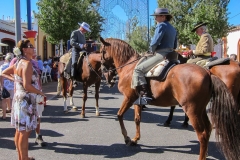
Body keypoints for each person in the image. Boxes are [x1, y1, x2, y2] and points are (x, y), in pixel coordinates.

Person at [1, 39, 45, 160]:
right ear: (24, 50)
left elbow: (3, 73)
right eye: (31, 46)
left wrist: (16, 80)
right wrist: (40, 92)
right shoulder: (27, 64)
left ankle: (21, 157)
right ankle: (24, 158)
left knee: (19, 131)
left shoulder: (18, 63)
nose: (33, 48)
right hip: (26, 99)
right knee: (24, 133)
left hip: (19, 98)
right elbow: (27, 86)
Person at [132, 8, 178, 105]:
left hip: (161, 54)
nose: (155, 18)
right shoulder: (173, 29)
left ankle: (145, 96)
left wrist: (151, 51)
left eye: (157, 16)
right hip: (172, 54)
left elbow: (155, 42)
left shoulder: (161, 25)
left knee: (138, 70)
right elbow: (174, 45)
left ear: (163, 17)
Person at [0, 53, 14, 120]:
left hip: (5, 84)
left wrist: (1, 85)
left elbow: (1, 76)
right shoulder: (13, 66)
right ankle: (13, 115)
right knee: (12, 99)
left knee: (4, 100)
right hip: (12, 84)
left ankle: (4, 115)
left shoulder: (2, 66)